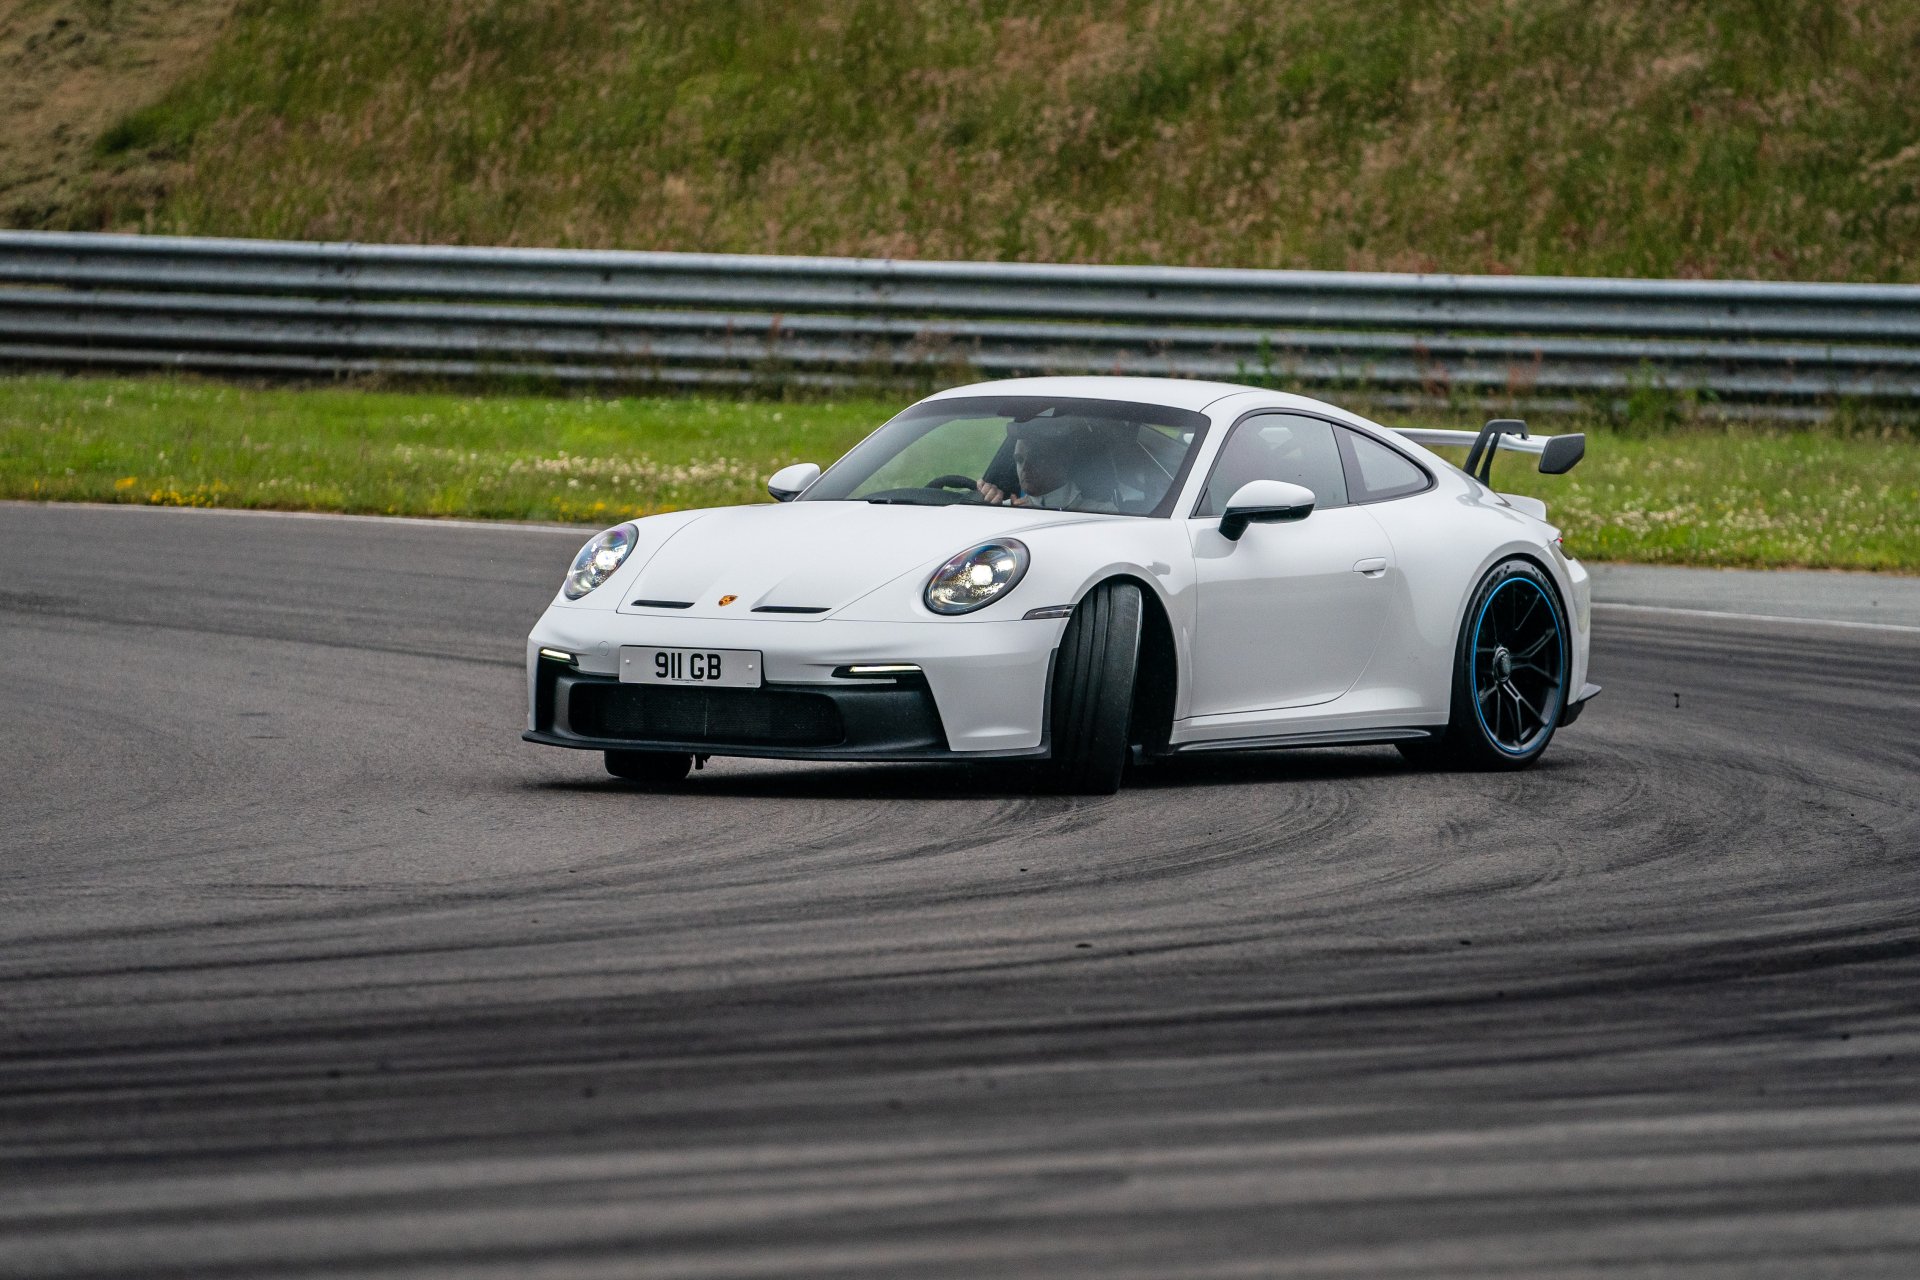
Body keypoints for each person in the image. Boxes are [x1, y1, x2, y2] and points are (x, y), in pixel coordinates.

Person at [976, 423, 1115, 511]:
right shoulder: (1003, 509)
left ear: (1063, 461)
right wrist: (985, 508)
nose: (1025, 468)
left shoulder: (1103, 512)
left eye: (1036, 459)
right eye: (1019, 460)